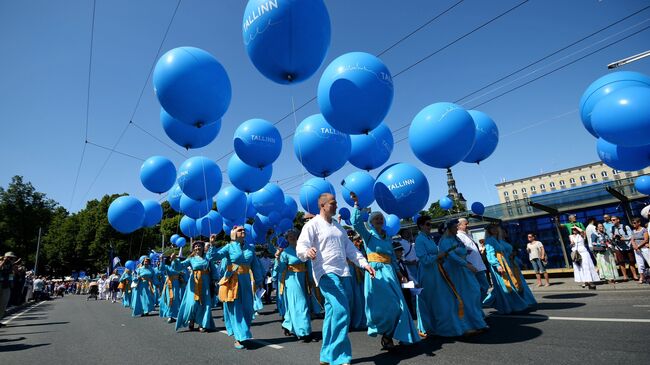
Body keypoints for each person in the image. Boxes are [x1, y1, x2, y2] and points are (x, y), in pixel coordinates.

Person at [296, 193, 375, 365]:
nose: (336, 205)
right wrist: (306, 252)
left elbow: (350, 249)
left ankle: (326, 355)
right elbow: (301, 246)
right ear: (323, 205)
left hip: (343, 272)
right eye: (333, 203)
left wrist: (364, 263)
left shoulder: (338, 227)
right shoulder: (312, 225)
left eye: (336, 203)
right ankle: (340, 356)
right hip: (326, 274)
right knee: (342, 311)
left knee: (333, 314)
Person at [350, 194, 420, 350]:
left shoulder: (387, 238)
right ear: (371, 222)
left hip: (390, 273)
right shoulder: (368, 236)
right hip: (376, 274)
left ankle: (400, 335)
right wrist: (356, 205)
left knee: (400, 304)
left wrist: (401, 274)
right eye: (376, 219)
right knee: (387, 306)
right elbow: (355, 223)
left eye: (381, 218)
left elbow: (393, 259)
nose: (380, 221)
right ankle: (386, 334)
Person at [206, 226, 265, 349]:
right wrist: (212, 245)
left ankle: (243, 332)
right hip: (233, 281)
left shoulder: (250, 248)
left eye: (244, 230)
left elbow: (255, 266)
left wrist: (259, 281)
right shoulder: (229, 247)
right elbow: (213, 257)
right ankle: (240, 337)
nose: (243, 231)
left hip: (246, 281)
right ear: (234, 233)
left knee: (248, 308)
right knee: (236, 309)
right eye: (239, 230)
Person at [437, 220, 488, 334]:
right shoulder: (445, 241)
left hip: (463, 269)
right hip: (454, 271)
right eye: (454, 227)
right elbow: (452, 256)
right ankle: (465, 326)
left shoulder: (457, 239)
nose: (457, 228)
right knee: (462, 297)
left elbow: (464, 251)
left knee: (474, 293)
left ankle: (477, 322)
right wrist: (467, 265)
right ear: (448, 229)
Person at [483, 225, 536, 314]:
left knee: (509, 284)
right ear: (489, 231)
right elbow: (490, 254)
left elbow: (504, 252)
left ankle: (510, 305)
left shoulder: (497, 240)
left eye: (495, 228)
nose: (495, 229)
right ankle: (511, 306)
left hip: (506, 264)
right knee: (505, 286)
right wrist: (497, 265)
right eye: (492, 228)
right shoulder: (489, 240)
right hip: (499, 265)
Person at [275, 229, 317, 342]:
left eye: (294, 235)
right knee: (301, 304)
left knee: (296, 305)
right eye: (290, 236)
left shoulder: (303, 250)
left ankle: (287, 324)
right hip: (291, 280)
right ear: (287, 239)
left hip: (303, 279)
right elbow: (280, 269)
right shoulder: (285, 253)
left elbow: (309, 265)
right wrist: (277, 259)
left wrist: (312, 279)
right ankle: (304, 332)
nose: (292, 237)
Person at [173, 241, 216, 333]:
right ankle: (191, 320)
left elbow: (213, 268)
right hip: (193, 283)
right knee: (192, 303)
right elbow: (180, 266)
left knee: (204, 303)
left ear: (203, 248)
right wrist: (175, 260)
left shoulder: (207, 258)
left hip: (205, 283)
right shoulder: (191, 259)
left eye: (199, 246)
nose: (197, 248)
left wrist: (214, 280)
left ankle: (202, 324)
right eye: (195, 246)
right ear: (193, 249)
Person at [456, 218, 490, 301]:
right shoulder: (458, 236)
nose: (468, 225)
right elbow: (461, 251)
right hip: (471, 266)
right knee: (477, 287)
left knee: (484, 286)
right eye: (466, 224)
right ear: (459, 226)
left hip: (478, 265)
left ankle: (478, 304)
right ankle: (477, 304)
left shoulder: (467, 235)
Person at [610, 216, 638, 281]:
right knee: (621, 262)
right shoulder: (612, 228)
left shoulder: (625, 227)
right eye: (611, 220)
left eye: (614, 220)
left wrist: (624, 238)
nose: (612, 221)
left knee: (631, 261)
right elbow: (611, 238)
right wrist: (613, 237)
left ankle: (634, 275)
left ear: (618, 220)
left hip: (628, 246)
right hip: (619, 247)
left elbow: (631, 236)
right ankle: (625, 277)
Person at [158, 255, 184, 323]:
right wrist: (161, 260)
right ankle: (170, 315)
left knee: (177, 299)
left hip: (177, 285)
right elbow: (161, 268)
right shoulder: (167, 266)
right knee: (170, 299)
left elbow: (184, 276)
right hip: (170, 284)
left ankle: (177, 314)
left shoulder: (179, 268)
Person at [0, 252, 20, 325]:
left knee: (3, 304)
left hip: (6, 285)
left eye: (12, 258)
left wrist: (15, 266)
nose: (12, 259)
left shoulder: (12, 265)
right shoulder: (1, 261)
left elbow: (17, 273)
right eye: (10, 258)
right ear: (6, 257)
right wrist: (3, 261)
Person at [630, 217, 650, 284]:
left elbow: (646, 239)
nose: (633, 224)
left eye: (635, 223)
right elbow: (632, 240)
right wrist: (634, 246)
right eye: (633, 223)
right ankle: (642, 277)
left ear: (639, 223)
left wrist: (638, 246)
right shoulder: (633, 231)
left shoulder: (644, 230)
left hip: (644, 248)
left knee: (649, 261)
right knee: (640, 264)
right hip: (637, 250)